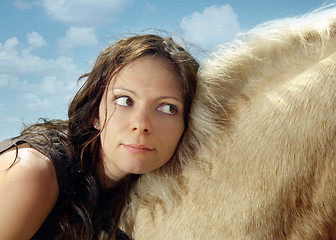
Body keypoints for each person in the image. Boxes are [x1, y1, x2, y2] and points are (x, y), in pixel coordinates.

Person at [0, 34, 199, 239]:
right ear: (95, 113)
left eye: (167, 108)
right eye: (124, 101)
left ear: (187, 124)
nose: (141, 125)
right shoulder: (32, 171)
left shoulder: (144, 200)